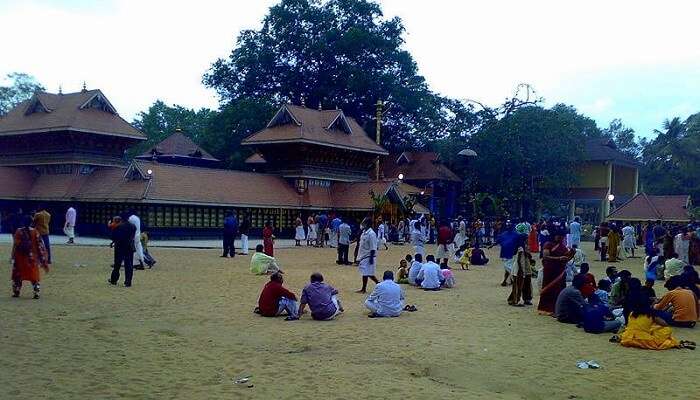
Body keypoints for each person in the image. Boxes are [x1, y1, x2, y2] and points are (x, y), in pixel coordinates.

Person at [620, 297, 684, 350]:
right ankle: (673, 343)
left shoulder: (632, 313)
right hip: (642, 338)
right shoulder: (650, 314)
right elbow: (665, 324)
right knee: (667, 330)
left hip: (626, 337)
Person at [10, 216, 49, 299]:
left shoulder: (18, 231)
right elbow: (40, 246)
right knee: (34, 276)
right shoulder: (35, 232)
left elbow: (15, 245)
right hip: (32, 258)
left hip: (20, 258)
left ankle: (16, 291)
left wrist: (12, 256)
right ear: (32, 223)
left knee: (18, 275)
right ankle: (36, 292)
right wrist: (43, 259)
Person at [537, 234, 571, 315]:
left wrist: (569, 256)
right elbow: (545, 257)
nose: (560, 237)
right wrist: (558, 258)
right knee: (549, 289)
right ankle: (546, 308)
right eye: (558, 235)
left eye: (561, 236)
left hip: (560, 271)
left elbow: (566, 256)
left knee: (559, 289)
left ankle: (558, 307)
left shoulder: (563, 246)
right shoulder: (548, 244)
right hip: (550, 270)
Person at [109, 214, 136, 288]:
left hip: (119, 246)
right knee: (129, 264)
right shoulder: (133, 226)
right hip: (130, 246)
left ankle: (114, 280)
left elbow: (113, 237)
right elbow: (133, 236)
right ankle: (128, 282)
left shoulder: (118, 226)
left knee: (117, 264)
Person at [356, 217, 379, 293]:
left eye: (364, 223)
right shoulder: (364, 233)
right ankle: (378, 284)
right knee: (367, 273)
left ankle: (364, 288)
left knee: (366, 273)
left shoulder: (371, 234)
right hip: (363, 256)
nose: (362, 225)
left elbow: (373, 247)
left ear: (367, 224)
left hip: (368, 256)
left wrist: (371, 258)